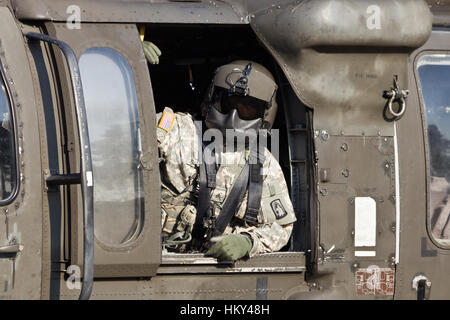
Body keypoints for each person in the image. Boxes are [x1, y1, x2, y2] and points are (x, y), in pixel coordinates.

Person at [144, 42, 296, 262]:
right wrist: (127, 58)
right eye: (228, 102)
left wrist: (248, 241)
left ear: (264, 114)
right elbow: (115, 143)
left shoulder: (264, 165)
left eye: (247, 107)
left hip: (211, 270)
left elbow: (282, 227)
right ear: (213, 97)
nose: (234, 115)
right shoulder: (174, 128)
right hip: (154, 259)